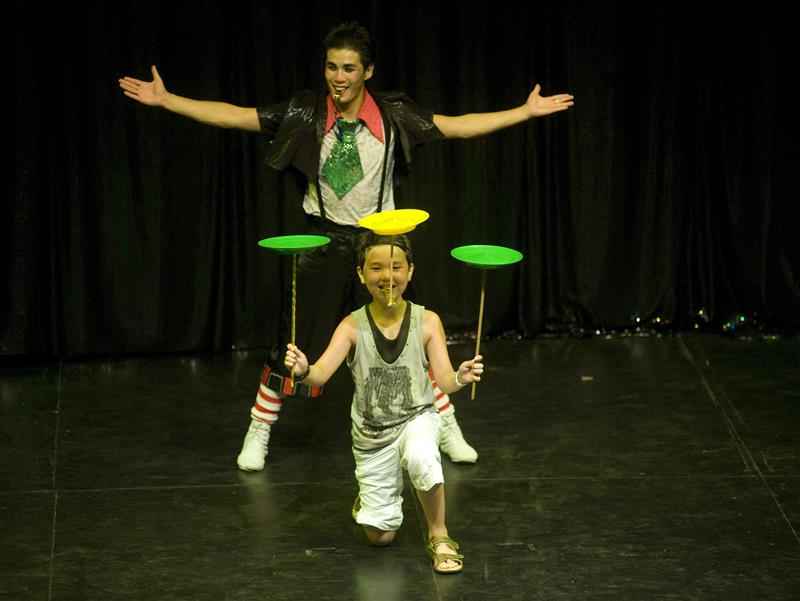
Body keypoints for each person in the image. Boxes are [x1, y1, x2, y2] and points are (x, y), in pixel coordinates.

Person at [118, 21, 574, 472]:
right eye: (332, 67)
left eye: (349, 68)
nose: (338, 78)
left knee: (408, 338)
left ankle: (445, 425)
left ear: (367, 71)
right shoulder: (305, 112)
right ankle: (260, 427)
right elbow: (238, 115)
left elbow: (457, 126)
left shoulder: (394, 115)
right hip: (323, 238)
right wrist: (168, 100)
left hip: (381, 239)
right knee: (295, 342)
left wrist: (524, 112)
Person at [284, 231, 483, 573]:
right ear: (361, 274)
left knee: (422, 456)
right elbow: (320, 374)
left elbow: (445, 381)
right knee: (380, 537)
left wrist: (461, 377)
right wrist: (303, 370)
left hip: (417, 418)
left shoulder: (427, 321)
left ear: (410, 271)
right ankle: (372, 499)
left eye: (396, 267)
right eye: (376, 268)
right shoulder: (351, 326)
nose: (387, 276)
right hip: (372, 437)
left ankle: (439, 534)